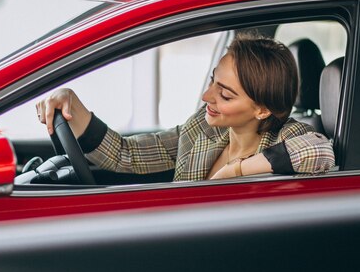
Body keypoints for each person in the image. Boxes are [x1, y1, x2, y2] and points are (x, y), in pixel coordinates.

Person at [36, 35, 335, 181]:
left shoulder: (288, 134)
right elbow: (128, 154)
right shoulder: (200, 130)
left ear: (262, 110)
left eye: (225, 95)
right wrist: (73, 104)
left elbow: (319, 152)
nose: (207, 96)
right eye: (212, 82)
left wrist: (235, 171)